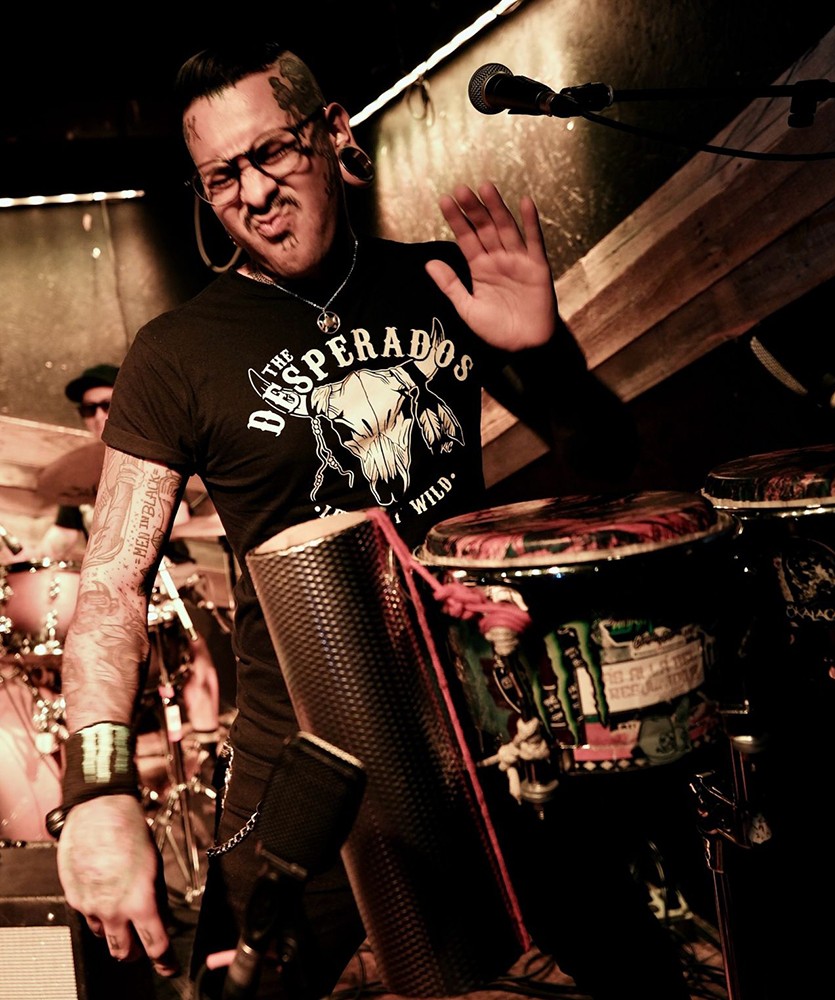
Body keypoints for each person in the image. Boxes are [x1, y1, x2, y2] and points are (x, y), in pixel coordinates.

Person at [53, 42, 692, 1000]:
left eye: (271, 153)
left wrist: (548, 353)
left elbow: (608, 466)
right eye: (222, 176)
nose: (255, 192)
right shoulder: (175, 354)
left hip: (500, 748)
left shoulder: (440, 281)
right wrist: (97, 788)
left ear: (334, 132)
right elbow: (108, 584)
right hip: (313, 779)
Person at [35, 363, 223, 755]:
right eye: (89, 409)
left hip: (169, 580)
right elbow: (57, 540)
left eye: (106, 404)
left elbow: (186, 520)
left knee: (193, 641)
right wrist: (24, 559)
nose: (99, 415)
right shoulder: (82, 477)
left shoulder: (153, 456)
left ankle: (208, 747)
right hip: (110, 589)